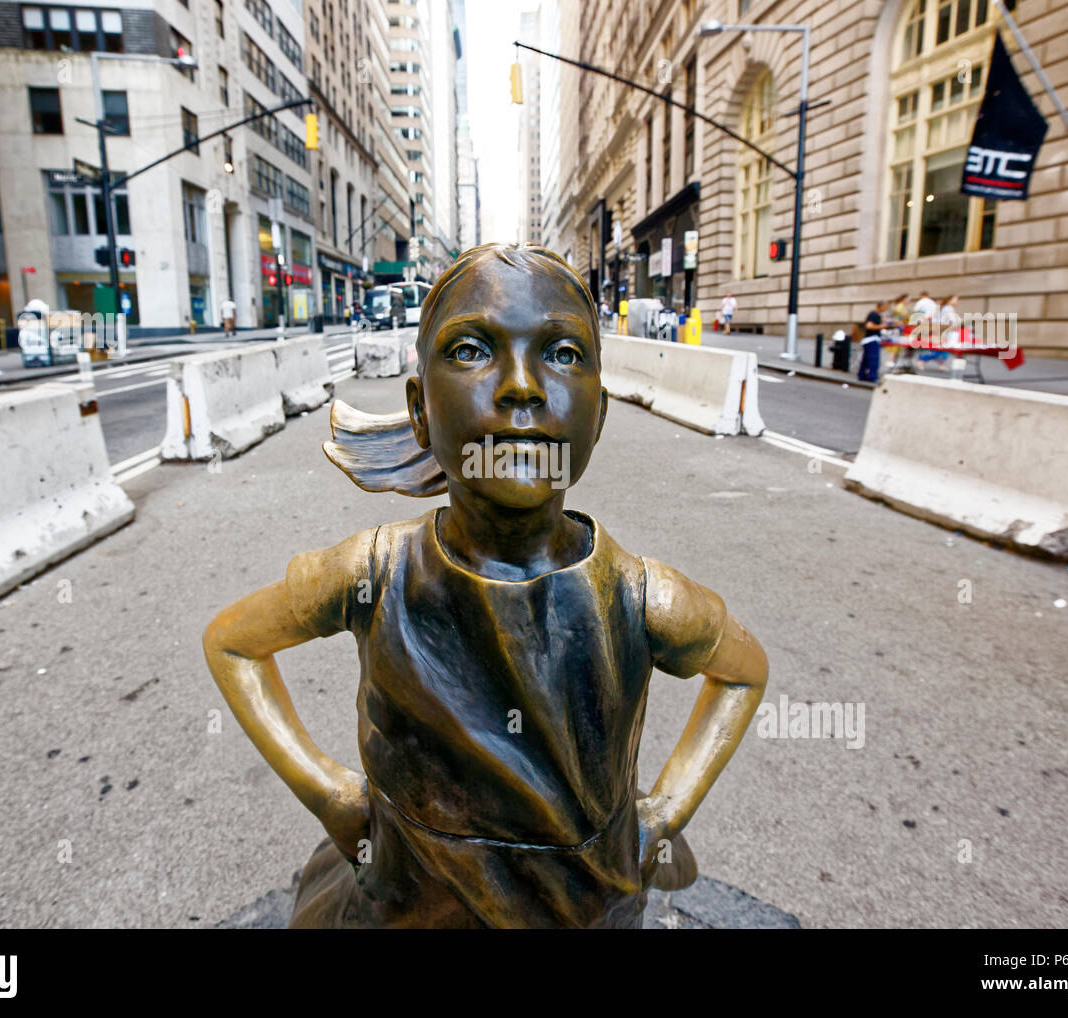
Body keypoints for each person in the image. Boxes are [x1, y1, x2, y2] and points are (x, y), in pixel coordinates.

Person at [203, 243, 770, 929]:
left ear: (598, 414)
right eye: (471, 350)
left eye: (562, 353)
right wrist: (331, 798)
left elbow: (742, 674)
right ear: (419, 409)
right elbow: (232, 645)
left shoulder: (644, 599)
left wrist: (662, 817)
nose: (522, 386)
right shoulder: (371, 575)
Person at [858, 299, 886, 382]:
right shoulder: (874, 314)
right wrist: (882, 326)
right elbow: (869, 326)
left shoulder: (874, 314)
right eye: (885, 307)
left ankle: (862, 375)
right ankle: (872, 376)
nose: (885, 308)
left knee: (866, 359)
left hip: (869, 340)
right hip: (872, 340)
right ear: (880, 306)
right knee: (873, 359)